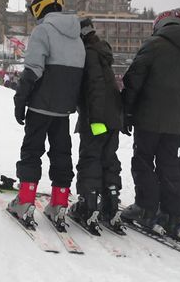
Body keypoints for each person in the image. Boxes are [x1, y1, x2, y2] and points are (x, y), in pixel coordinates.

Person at [120, 10, 180, 239]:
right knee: (170, 166)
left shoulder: (154, 45)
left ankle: (146, 209)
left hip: (148, 116)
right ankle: (173, 216)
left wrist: (126, 111)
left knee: (143, 161)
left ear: (159, 25)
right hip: (176, 122)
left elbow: (134, 79)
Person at [7, 0, 85, 229]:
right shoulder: (77, 35)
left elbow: (33, 70)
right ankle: (59, 203)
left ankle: (26, 200)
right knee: (61, 155)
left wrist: (21, 100)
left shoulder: (43, 31)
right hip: (64, 110)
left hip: (41, 107)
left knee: (32, 152)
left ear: (40, 6)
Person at [69, 18, 123, 234]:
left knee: (91, 158)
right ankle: (110, 204)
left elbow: (95, 88)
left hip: (98, 119)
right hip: (113, 118)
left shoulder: (89, 54)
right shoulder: (101, 52)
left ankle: (87, 205)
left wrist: (95, 119)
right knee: (108, 159)